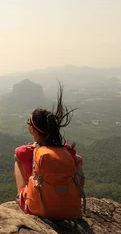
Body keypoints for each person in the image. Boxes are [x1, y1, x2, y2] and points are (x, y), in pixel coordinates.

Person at [13, 84, 85, 218]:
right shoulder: (68, 150)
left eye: (28, 122)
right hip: (68, 207)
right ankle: (71, 197)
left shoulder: (24, 152)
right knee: (78, 160)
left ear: (32, 130)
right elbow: (78, 166)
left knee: (17, 160)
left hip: (38, 206)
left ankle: (21, 196)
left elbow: (19, 155)